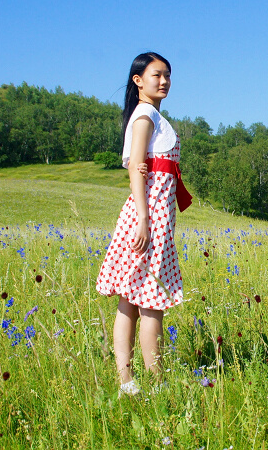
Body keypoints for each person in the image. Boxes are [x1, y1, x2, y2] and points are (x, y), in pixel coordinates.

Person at [96, 52, 192, 396]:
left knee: (132, 301)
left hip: (153, 217)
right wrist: (144, 219)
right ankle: (155, 385)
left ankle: (129, 383)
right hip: (148, 217)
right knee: (150, 305)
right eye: (156, 75)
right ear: (138, 80)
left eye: (168, 75)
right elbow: (136, 166)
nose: (164, 81)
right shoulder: (145, 115)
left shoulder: (151, 114)